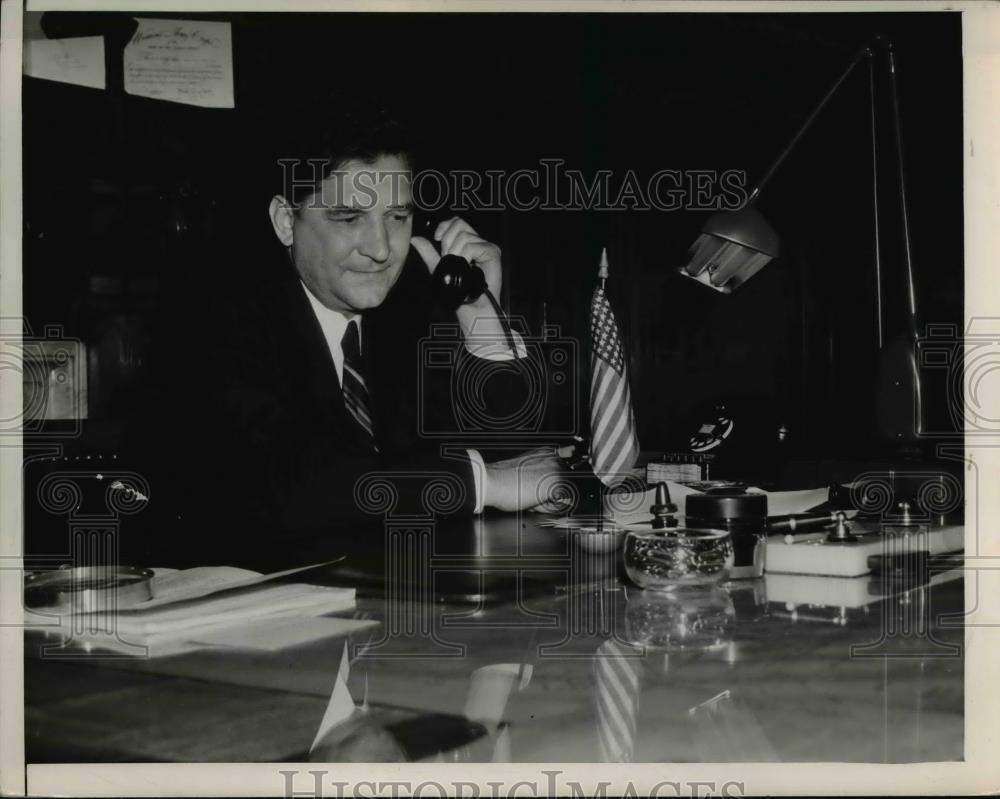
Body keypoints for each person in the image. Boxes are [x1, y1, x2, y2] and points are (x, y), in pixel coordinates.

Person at [128, 95, 567, 566]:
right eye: (349, 218)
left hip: (389, 602)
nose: (380, 249)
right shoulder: (215, 316)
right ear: (285, 221)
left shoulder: (409, 308)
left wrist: (480, 315)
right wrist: (480, 484)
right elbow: (291, 491)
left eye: (397, 218)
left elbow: (533, 464)